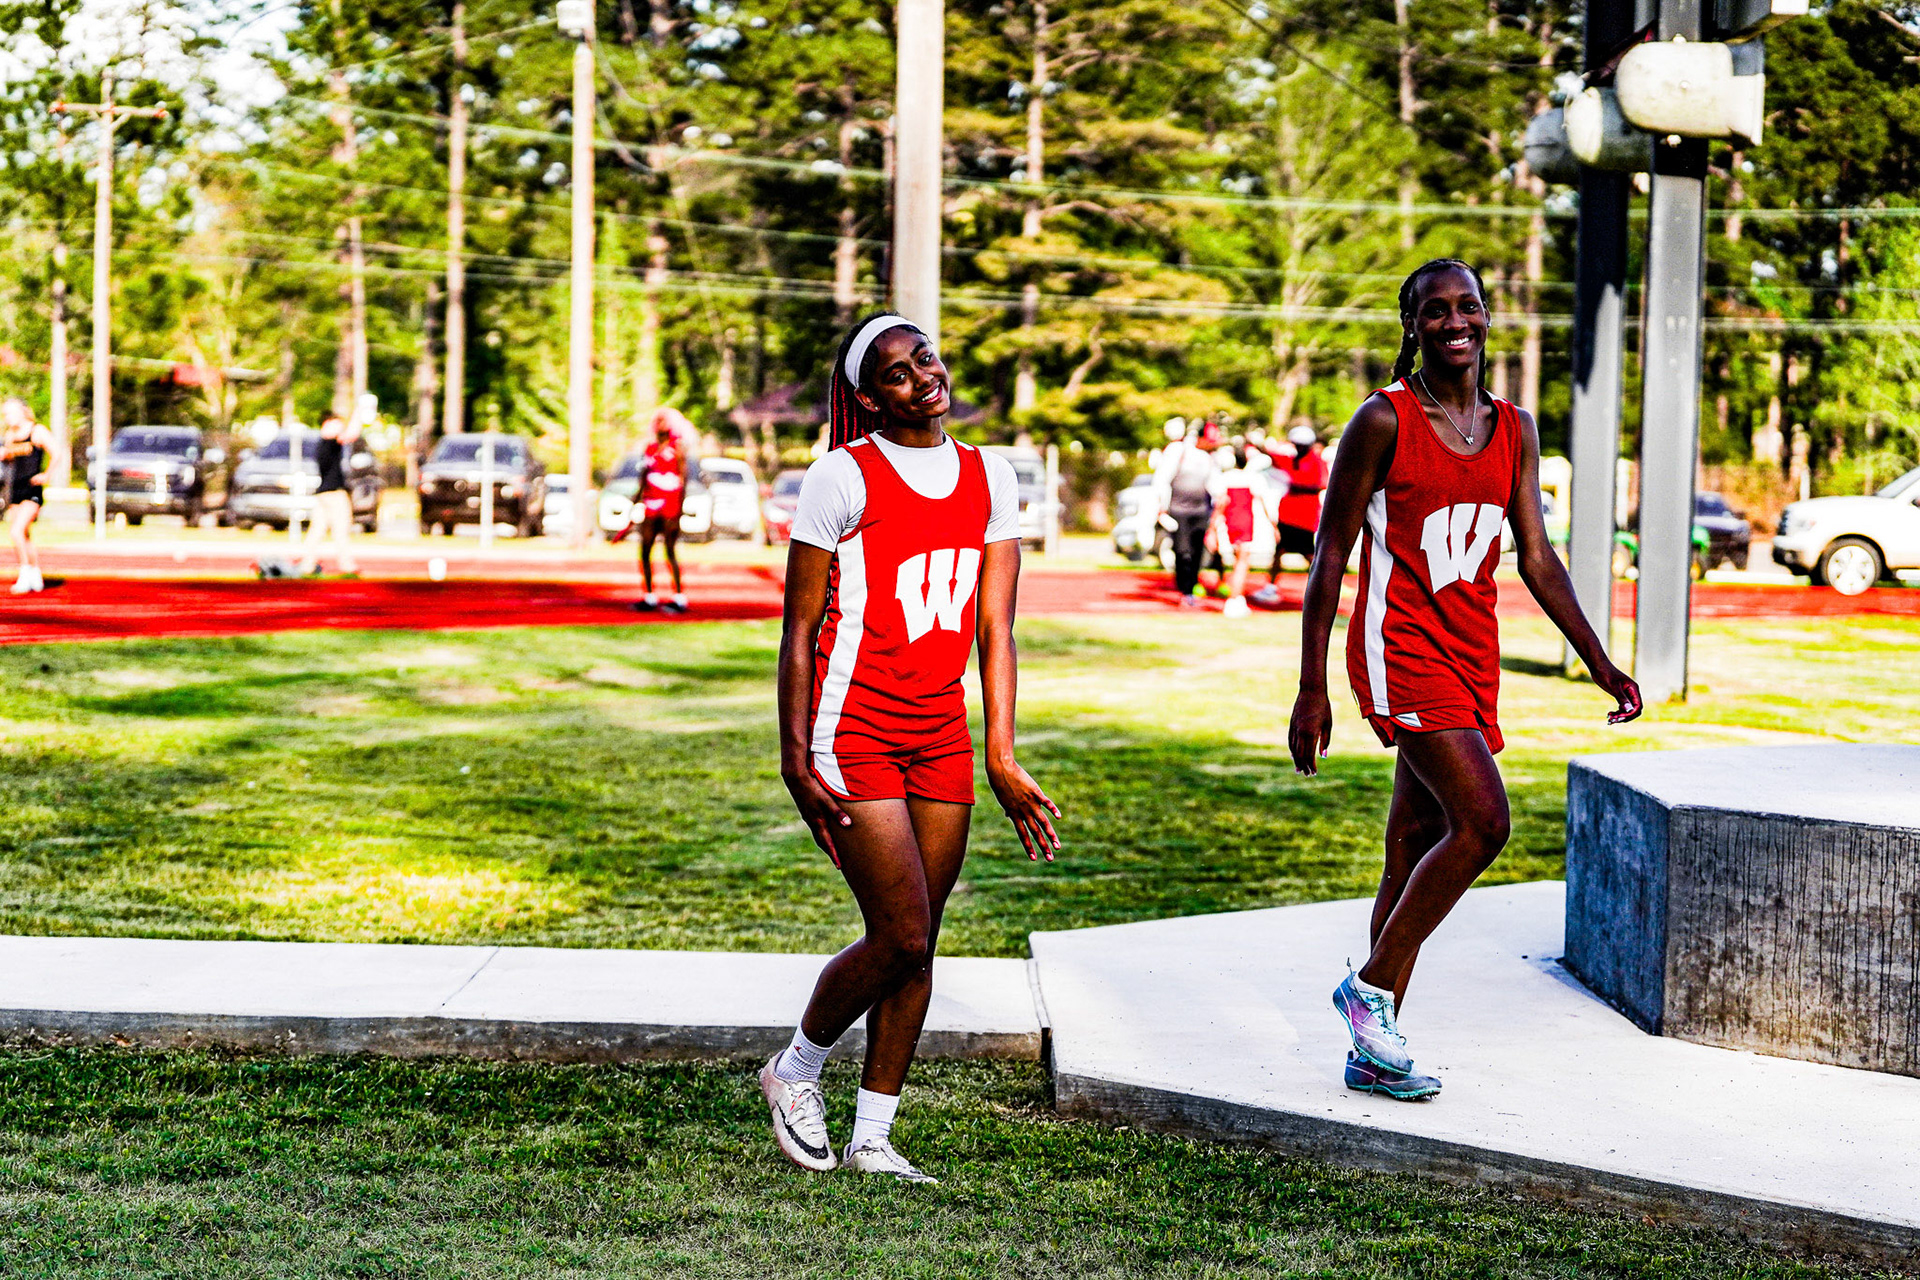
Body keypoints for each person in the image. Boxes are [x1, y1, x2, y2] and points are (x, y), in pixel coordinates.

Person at [1287, 259, 1642, 1101]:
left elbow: (1538, 558)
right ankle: (1370, 990)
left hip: (1472, 652)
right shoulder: (1383, 419)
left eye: (1470, 306)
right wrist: (1311, 686)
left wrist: (1599, 661)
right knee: (1483, 823)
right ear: (1413, 326)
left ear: (1487, 317)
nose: (1457, 321)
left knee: (1411, 846)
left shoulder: (1515, 427)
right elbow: (1329, 555)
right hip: (1401, 648)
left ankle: (1373, 1052)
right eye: (1436, 310)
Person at [764, 311, 1060, 1183]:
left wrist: (1000, 754)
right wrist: (793, 759)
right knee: (897, 934)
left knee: (921, 939)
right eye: (896, 372)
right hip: (851, 726)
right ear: (868, 398)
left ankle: (874, 1136)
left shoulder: (988, 473)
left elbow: (996, 628)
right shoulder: (840, 475)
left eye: (924, 357)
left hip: (939, 734)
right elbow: (798, 629)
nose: (923, 375)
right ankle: (795, 1069)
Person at [624, 408, 691, 613]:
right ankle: (649, 595)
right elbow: (644, 475)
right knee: (645, 548)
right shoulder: (650, 449)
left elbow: (683, 478)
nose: (659, 424)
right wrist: (636, 499)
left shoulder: (676, 449)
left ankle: (678, 597)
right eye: (658, 421)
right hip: (651, 503)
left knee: (669, 550)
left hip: (669, 505)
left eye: (664, 421)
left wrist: (680, 509)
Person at [1253, 424, 1328, 606]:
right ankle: (1271, 586)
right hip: (1287, 514)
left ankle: (1324, 585)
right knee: (1279, 551)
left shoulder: (1316, 461)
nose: (1298, 448)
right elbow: (1272, 455)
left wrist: (1295, 482)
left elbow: (1321, 483)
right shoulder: (1291, 460)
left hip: (1305, 517)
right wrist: (1256, 441)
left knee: (1309, 554)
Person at [1152, 417, 1219, 607]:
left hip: (1200, 511)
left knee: (1197, 551)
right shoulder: (1178, 451)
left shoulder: (1207, 458)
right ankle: (1184, 587)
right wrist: (1161, 508)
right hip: (1179, 510)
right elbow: (1162, 479)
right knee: (1182, 551)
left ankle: (1191, 587)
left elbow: (1214, 485)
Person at [1207, 443, 1272, 619]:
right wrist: (1272, 525)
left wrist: (1212, 528)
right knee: (1242, 563)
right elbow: (1263, 502)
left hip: (1230, 521)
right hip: (1244, 522)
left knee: (1236, 561)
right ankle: (1235, 599)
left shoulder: (1225, 478)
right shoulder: (1252, 478)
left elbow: (1220, 504)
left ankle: (1236, 597)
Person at [299, 408, 362, 577]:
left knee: (317, 530)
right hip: (334, 493)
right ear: (327, 424)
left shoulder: (321, 444)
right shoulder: (330, 442)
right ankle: (347, 565)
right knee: (342, 528)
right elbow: (351, 434)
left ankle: (307, 565)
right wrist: (358, 413)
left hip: (323, 493)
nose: (340, 428)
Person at [0, 397, 52, 594]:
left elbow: (58, 452)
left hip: (32, 489)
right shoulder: (10, 435)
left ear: (22, 411)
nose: (7, 417)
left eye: (10, 413)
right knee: (24, 534)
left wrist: (46, 474)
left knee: (16, 532)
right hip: (15, 489)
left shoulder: (37, 431)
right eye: (5, 414)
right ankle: (35, 573)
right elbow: (11, 461)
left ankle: (24, 572)